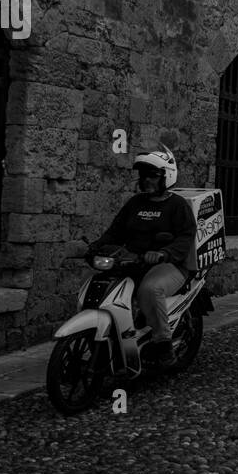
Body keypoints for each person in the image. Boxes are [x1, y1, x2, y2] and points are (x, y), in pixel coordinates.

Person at [89, 146, 196, 365]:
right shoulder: (135, 203)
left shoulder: (177, 205)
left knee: (150, 289)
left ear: (166, 176)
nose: (146, 180)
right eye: (143, 175)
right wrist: (96, 247)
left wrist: (163, 253)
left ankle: (163, 343)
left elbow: (186, 237)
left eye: (153, 176)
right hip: (134, 261)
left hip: (170, 265)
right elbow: (115, 231)